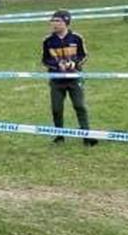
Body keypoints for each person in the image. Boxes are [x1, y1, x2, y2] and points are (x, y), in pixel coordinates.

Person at [42, 11, 97, 147]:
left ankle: (86, 135)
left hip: (74, 78)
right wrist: (56, 65)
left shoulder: (76, 38)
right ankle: (59, 135)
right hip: (56, 80)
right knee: (56, 108)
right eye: (53, 21)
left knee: (79, 106)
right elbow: (45, 60)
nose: (54, 24)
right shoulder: (48, 40)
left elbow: (83, 55)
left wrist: (75, 63)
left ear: (66, 22)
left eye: (58, 21)